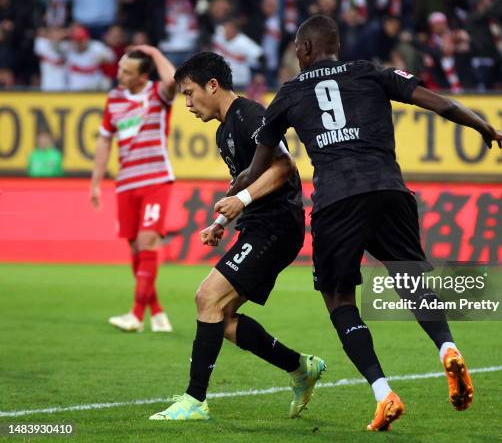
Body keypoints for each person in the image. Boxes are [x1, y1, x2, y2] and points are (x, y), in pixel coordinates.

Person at [220, 15, 502, 431]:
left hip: (337, 200)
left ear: (304, 49)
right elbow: (439, 102)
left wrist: (232, 196)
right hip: (389, 189)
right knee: (411, 278)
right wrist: (484, 125)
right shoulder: (372, 72)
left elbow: (256, 166)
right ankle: (447, 347)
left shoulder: (287, 93)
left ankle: (383, 393)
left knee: (339, 299)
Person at [149, 52, 326, 421]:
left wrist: (241, 199)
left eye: (189, 92)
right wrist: (222, 222)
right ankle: (300, 367)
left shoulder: (250, 115)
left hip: (276, 224)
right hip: (259, 224)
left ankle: (195, 400)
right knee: (221, 317)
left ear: (212, 85)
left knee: (206, 297)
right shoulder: (223, 130)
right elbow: (247, 179)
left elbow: (284, 167)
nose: (187, 103)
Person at [91, 45, 176, 333]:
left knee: (146, 243)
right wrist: (95, 182)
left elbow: (172, 81)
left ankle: (136, 315)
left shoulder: (157, 94)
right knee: (135, 249)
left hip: (155, 179)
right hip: (126, 182)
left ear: (142, 77)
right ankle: (158, 311)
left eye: (127, 72)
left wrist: (153, 52)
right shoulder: (113, 99)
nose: (120, 75)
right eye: (119, 69)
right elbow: (104, 141)